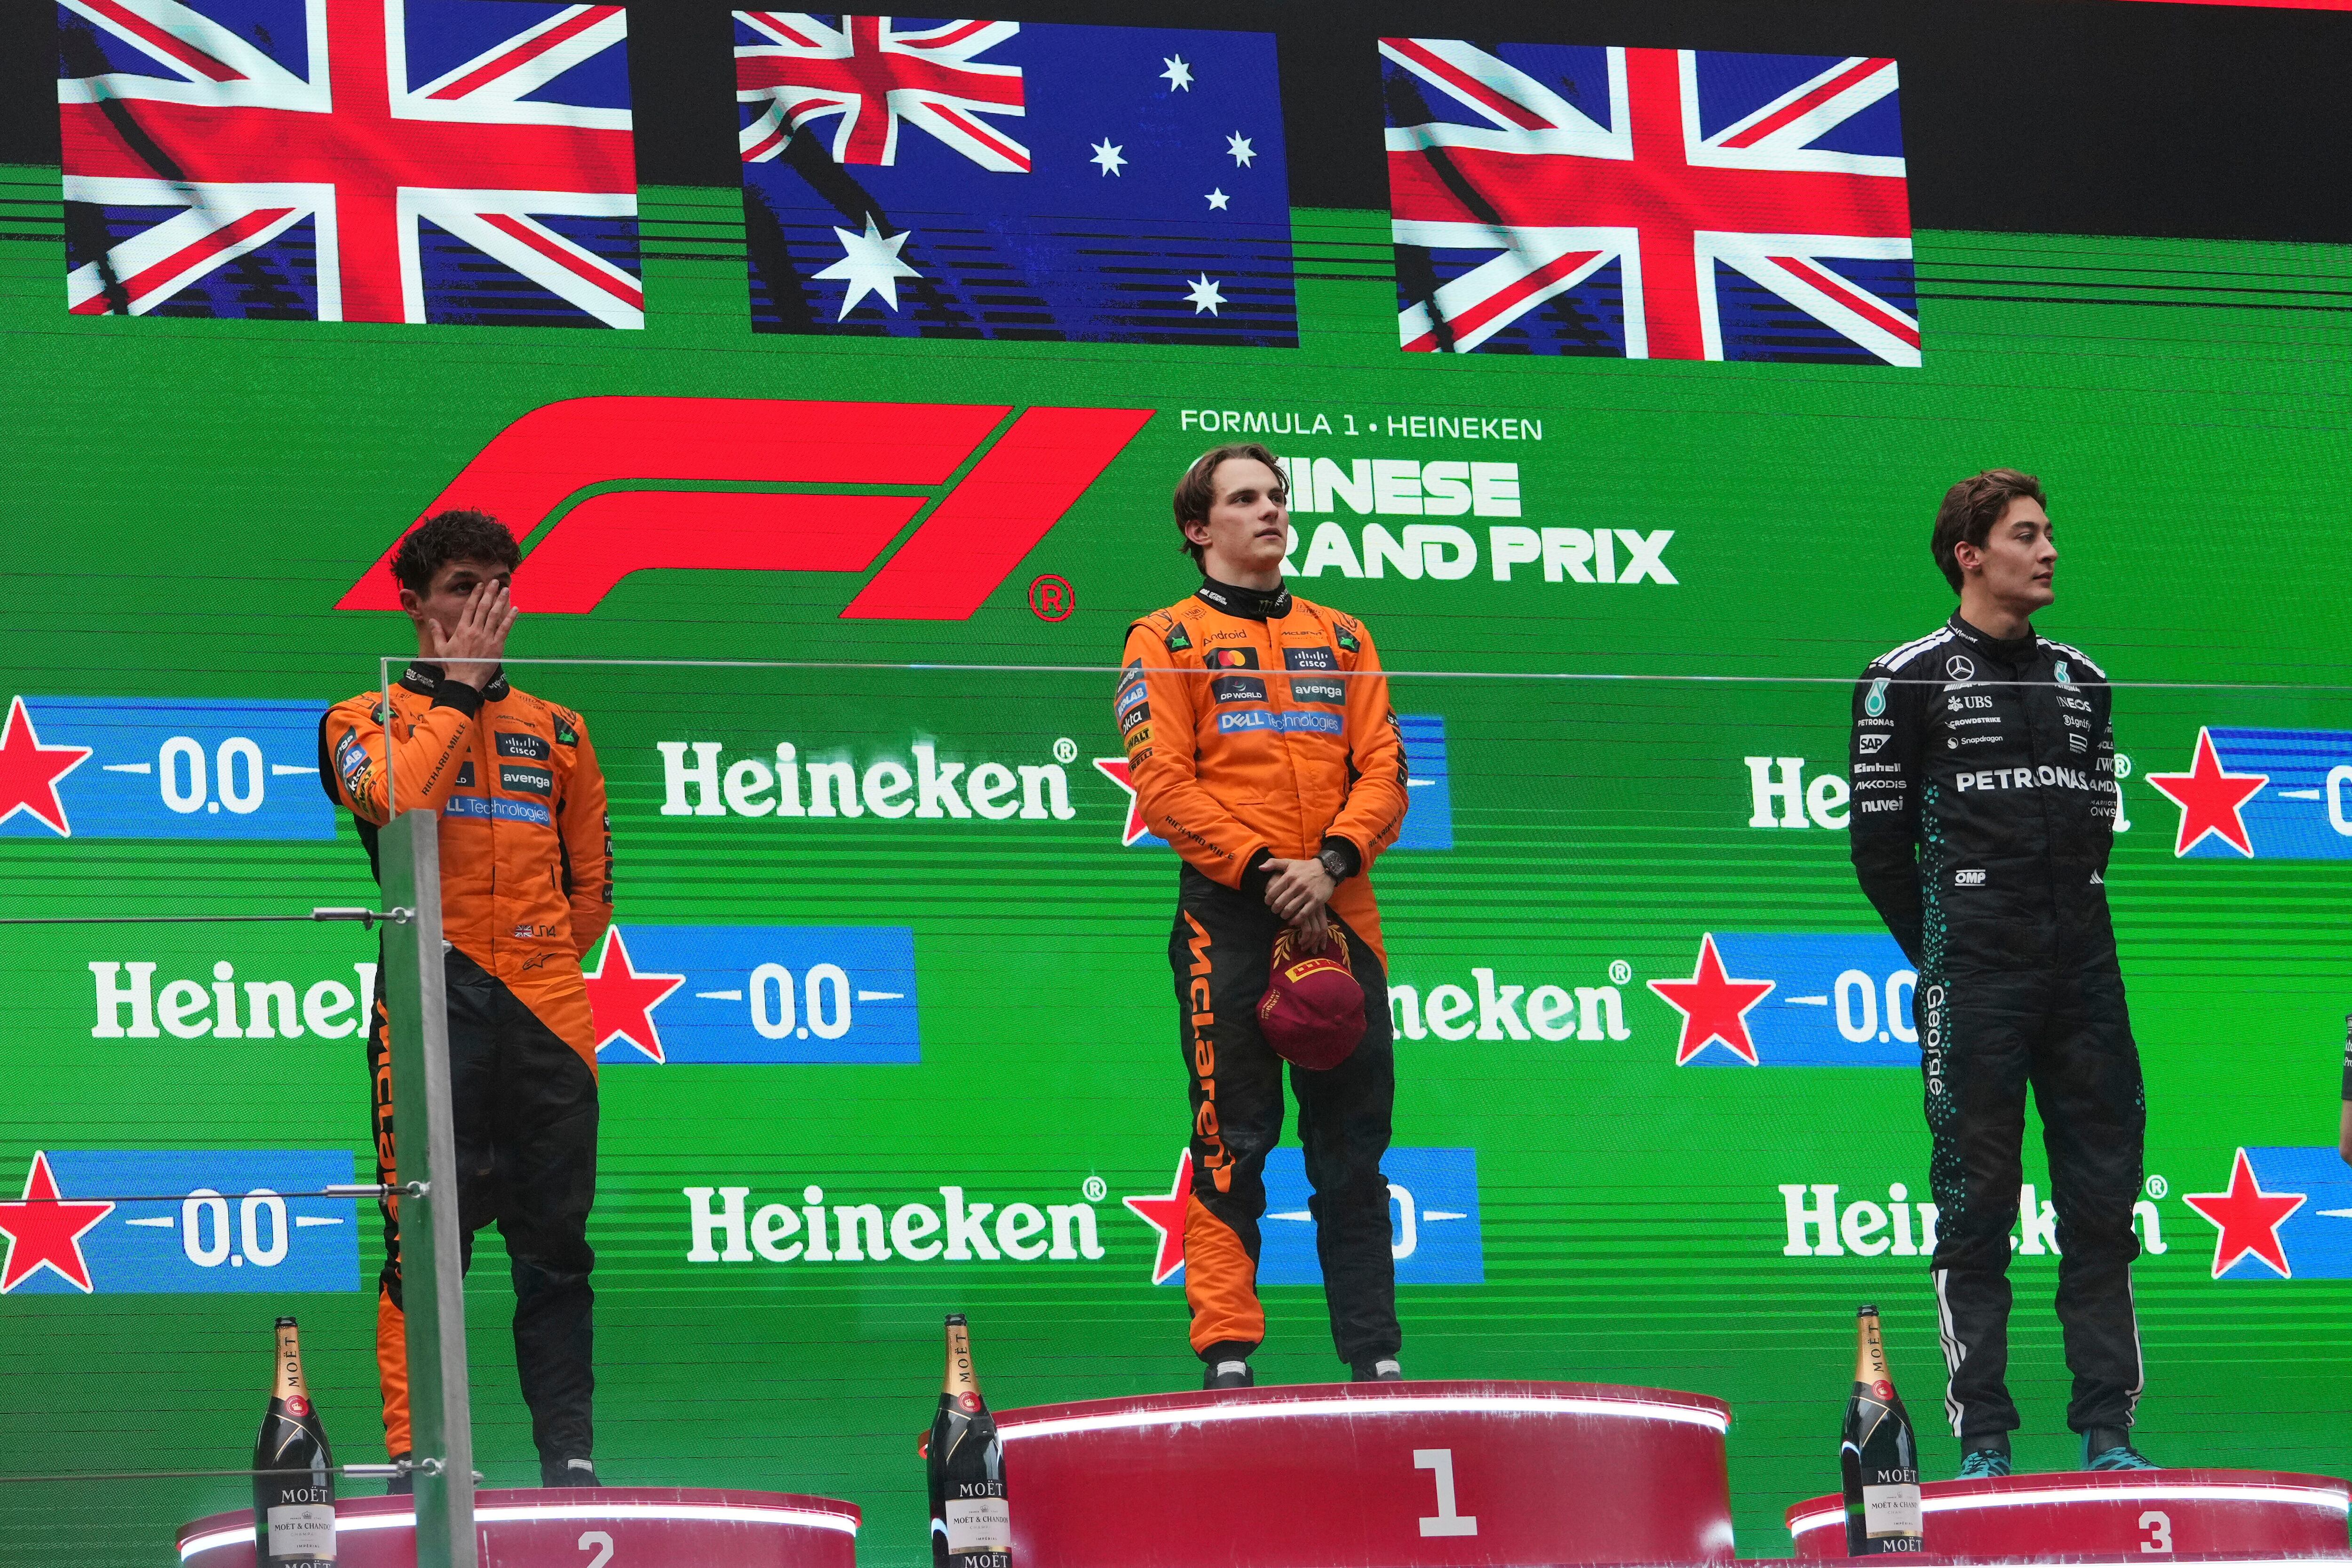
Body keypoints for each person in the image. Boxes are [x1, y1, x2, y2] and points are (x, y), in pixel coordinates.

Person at [1848, 470, 2154, 1478]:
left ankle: (2108, 1432)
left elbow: (2098, 834)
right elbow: (1879, 850)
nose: (2049, 550)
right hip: (1975, 981)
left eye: (2049, 532)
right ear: (1969, 554)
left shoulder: (2082, 680)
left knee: (2103, 1203)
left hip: (2086, 979)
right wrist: (1952, 949)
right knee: (1975, 1206)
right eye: (2027, 534)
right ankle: (1984, 1439)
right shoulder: (1903, 678)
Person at [317, 510, 612, 1489]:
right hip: (427, 998)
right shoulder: (359, 718)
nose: (485, 607)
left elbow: (591, 889)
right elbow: (398, 801)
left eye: (499, 588)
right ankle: (424, 1459)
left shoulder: (561, 729)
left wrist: (532, 964)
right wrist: (456, 688)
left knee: (557, 1248)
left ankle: (570, 1462)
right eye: (462, 589)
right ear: (413, 603)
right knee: (426, 1238)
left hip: (545, 1011)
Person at [1118, 442, 1411, 1390]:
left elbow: (1387, 769)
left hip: (1340, 905)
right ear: (1198, 527)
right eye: (1245, 498)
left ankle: (1375, 1356)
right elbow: (1162, 783)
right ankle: (1229, 1355)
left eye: (1278, 495)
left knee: (1353, 1149)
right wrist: (1262, 868)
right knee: (1230, 1141)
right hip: (1229, 911)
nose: (1271, 510)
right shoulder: (1164, 638)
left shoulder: (1346, 637)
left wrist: (1330, 862)